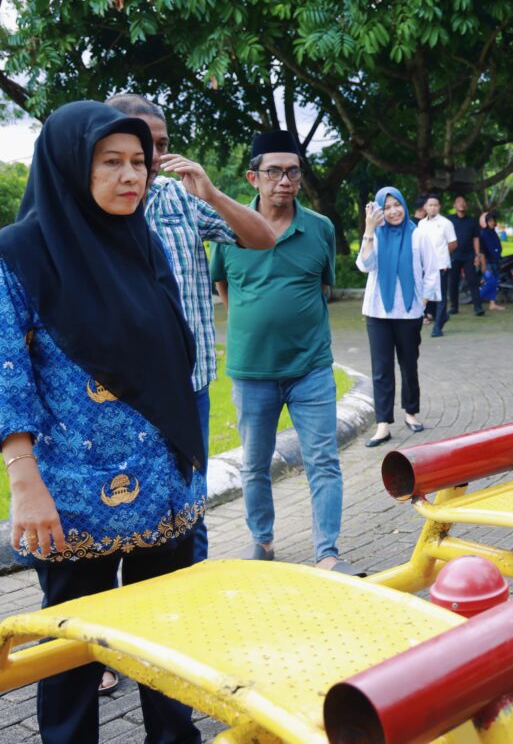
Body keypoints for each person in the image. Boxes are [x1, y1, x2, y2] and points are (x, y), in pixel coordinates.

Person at [0, 100, 205, 744]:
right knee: (72, 647)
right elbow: (6, 372)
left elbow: (173, 351)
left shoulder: (142, 242)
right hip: (72, 498)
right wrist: (24, 482)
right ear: (67, 167)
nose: (131, 177)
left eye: (139, 163)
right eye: (110, 162)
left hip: (162, 483)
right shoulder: (20, 254)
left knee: (166, 635)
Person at [106, 93, 275, 566]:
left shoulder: (179, 199)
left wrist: (212, 193)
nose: (155, 157)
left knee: (188, 506)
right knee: (124, 508)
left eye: (161, 144)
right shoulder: (95, 210)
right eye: (143, 144)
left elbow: (263, 238)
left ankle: (191, 602)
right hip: (122, 394)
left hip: (190, 385)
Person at [210, 130, 357, 575]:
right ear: (254, 177)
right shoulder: (228, 229)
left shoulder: (320, 228)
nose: (285, 180)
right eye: (274, 171)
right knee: (255, 463)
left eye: (293, 170)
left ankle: (328, 552)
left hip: (310, 368)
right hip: (251, 372)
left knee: (323, 460)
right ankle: (263, 541)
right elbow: (224, 287)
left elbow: (323, 286)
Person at [358, 186, 438, 445]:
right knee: (381, 369)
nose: (394, 211)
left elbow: (432, 271)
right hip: (377, 312)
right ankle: (383, 424)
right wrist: (369, 230)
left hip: (409, 313)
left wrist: (423, 302)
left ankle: (411, 413)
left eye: (397, 205)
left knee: (409, 364)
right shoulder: (376, 236)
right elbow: (365, 265)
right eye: (388, 206)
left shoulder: (418, 235)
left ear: (404, 205)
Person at [417, 193, 457, 337]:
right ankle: (442, 316)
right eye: (430, 205)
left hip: (441, 265)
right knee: (427, 296)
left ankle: (437, 327)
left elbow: (453, 243)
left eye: (435, 205)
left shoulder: (446, 223)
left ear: (439, 207)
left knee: (440, 297)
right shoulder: (421, 224)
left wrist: (442, 256)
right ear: (425, 207)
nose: (433, 208)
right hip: (424, 266)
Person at [447, 194, 484, 316]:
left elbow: (476, 238)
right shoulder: (449, 220)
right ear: (454, 205)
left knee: (473, 281)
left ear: (466, 205)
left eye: (463, 202)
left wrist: (477, 254)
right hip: (453, 256)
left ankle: (478, 307)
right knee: (453, 282)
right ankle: (454, 306)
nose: (461, 204)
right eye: (458, 202)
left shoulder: (472, 221)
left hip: (469, 256)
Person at [480, 210, 506, 311]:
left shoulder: (493, 233)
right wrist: (484, 264)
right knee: (491, 281)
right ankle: (477, 299)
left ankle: (492, 304)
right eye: (490, 221)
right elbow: (482, 250)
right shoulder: (483, 234)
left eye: (493, 221)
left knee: (495, 282)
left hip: (495, 261)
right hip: (487, 262)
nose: (492, 223)